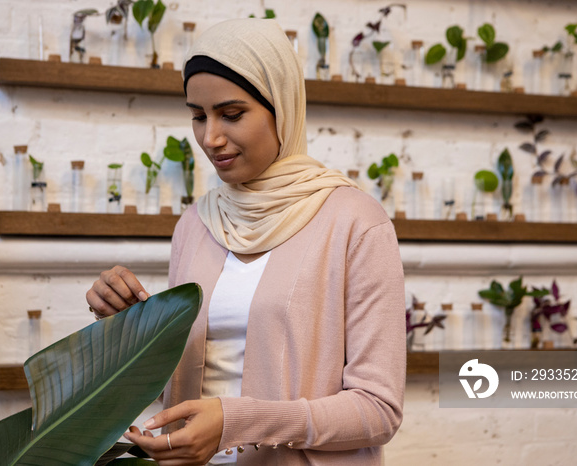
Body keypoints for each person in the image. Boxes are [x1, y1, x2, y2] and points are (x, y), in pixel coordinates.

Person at [86, 18, 406, 465]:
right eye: (198, 117)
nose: (211, 138)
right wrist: (124, 326)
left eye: (231, 114)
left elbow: (379, 410)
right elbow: (176, 386)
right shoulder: (196, 224)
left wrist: (237, 421)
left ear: (282, 106)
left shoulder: (354, 222)